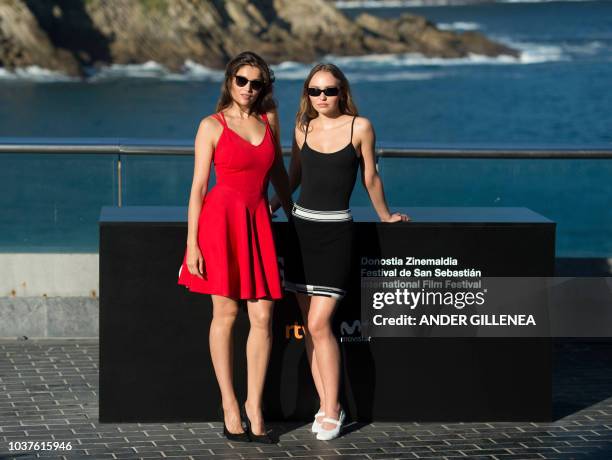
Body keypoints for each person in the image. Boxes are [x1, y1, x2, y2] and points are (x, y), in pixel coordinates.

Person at [271, 63, 409, 440]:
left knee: (319, 324)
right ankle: (324, 404)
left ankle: (334, 409)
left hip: (335, 233)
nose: (322, 98)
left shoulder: (359, 127)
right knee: (311, 327)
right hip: (300, 229)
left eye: (329, 91)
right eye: (314, 91)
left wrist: (386, 215)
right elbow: (295, 175)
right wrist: (274, 205)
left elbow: (370, 177)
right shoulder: (302, 127)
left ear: (342, 91)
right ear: (307, 95)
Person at [178, 51, 292, 443]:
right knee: (225, 316)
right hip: (220, 226)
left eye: (256, 83)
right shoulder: (211, 125)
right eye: (241, 80)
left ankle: (254, 406)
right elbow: (196, 188)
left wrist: (292, 212)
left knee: (263, 317)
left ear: (264, 88)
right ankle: (229, 404)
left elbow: (278, 173)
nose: (248, 88)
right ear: (229, 81)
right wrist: (192, 244)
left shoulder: (268, 120)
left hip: (258, 223)